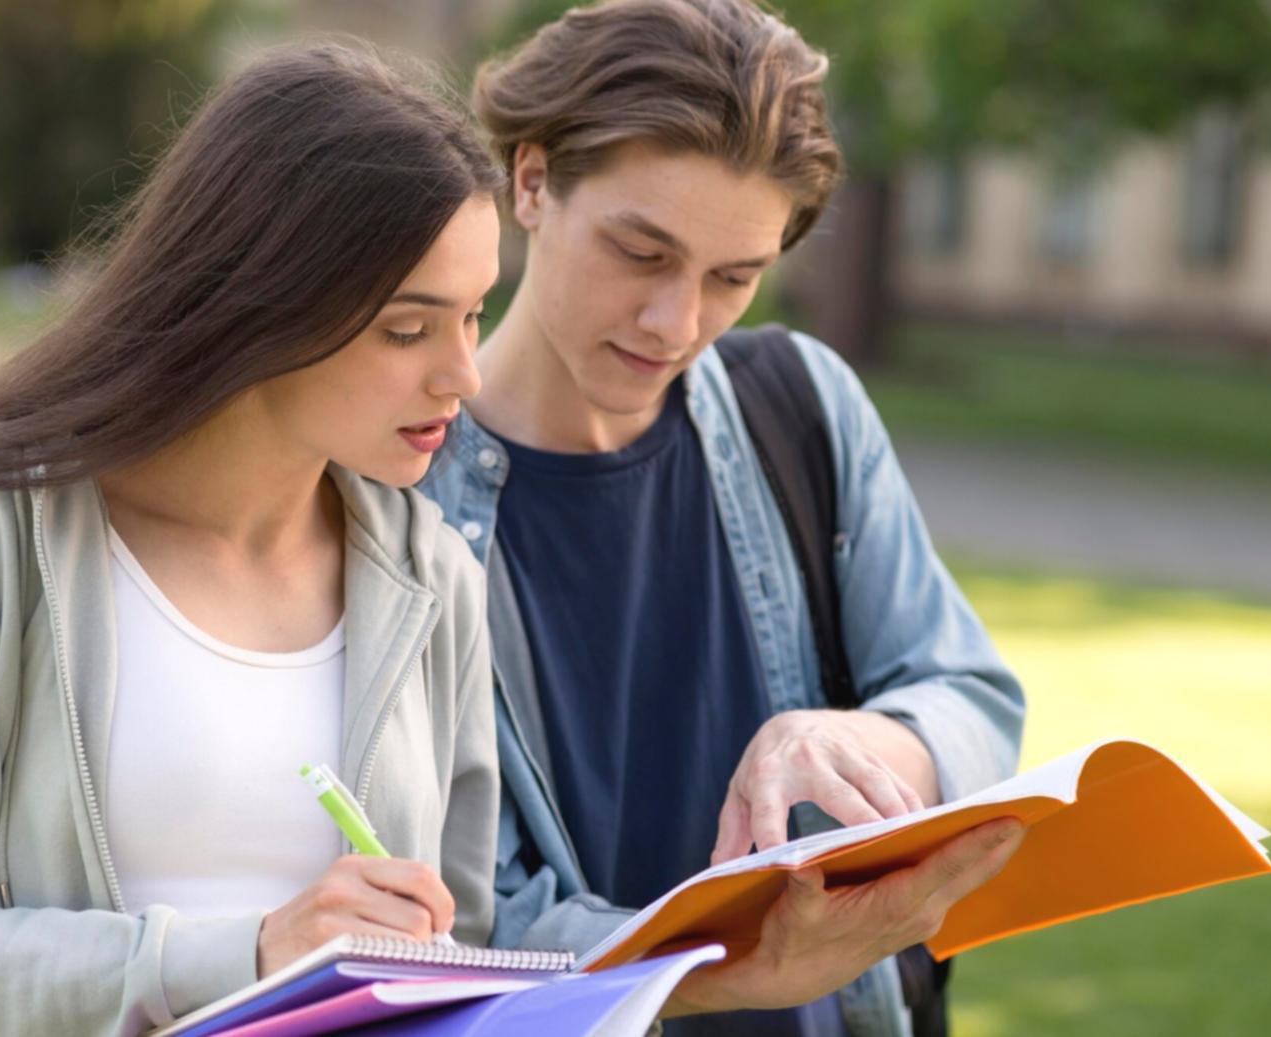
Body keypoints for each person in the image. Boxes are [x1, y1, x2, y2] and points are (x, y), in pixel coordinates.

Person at [0, 44, 504, 1036]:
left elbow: (456, 947)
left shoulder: (432, 572)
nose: (463, 375)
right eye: (408, 328)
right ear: (269, 296)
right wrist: (246, 953)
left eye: (474, 315)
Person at [418, 0, 1028, 1033]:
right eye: (641, 253)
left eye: (734, 275)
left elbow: (968, 693)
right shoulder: (397, 490)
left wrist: (843, 739)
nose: (678, 321)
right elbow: (464, 923)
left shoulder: (801, 402)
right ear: (530, 182)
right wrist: (735, 969)